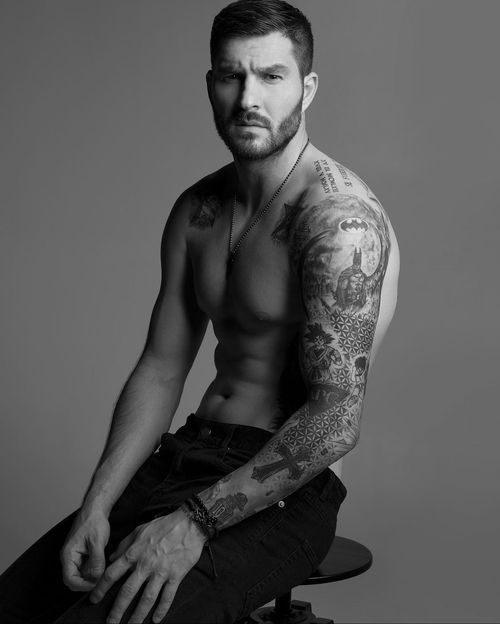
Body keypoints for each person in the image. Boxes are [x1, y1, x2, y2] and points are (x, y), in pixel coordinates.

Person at [0, 0, 400, 622]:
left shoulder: (339, 224)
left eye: (271, 76)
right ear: (211, 83)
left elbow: (334, 420)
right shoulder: (198, 210)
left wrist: (193, 523)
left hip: (283, 491)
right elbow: (161, 368)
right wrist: (98, 504)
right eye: (231, 76)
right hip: (185, 455)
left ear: (307, 87)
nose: (248, 98)